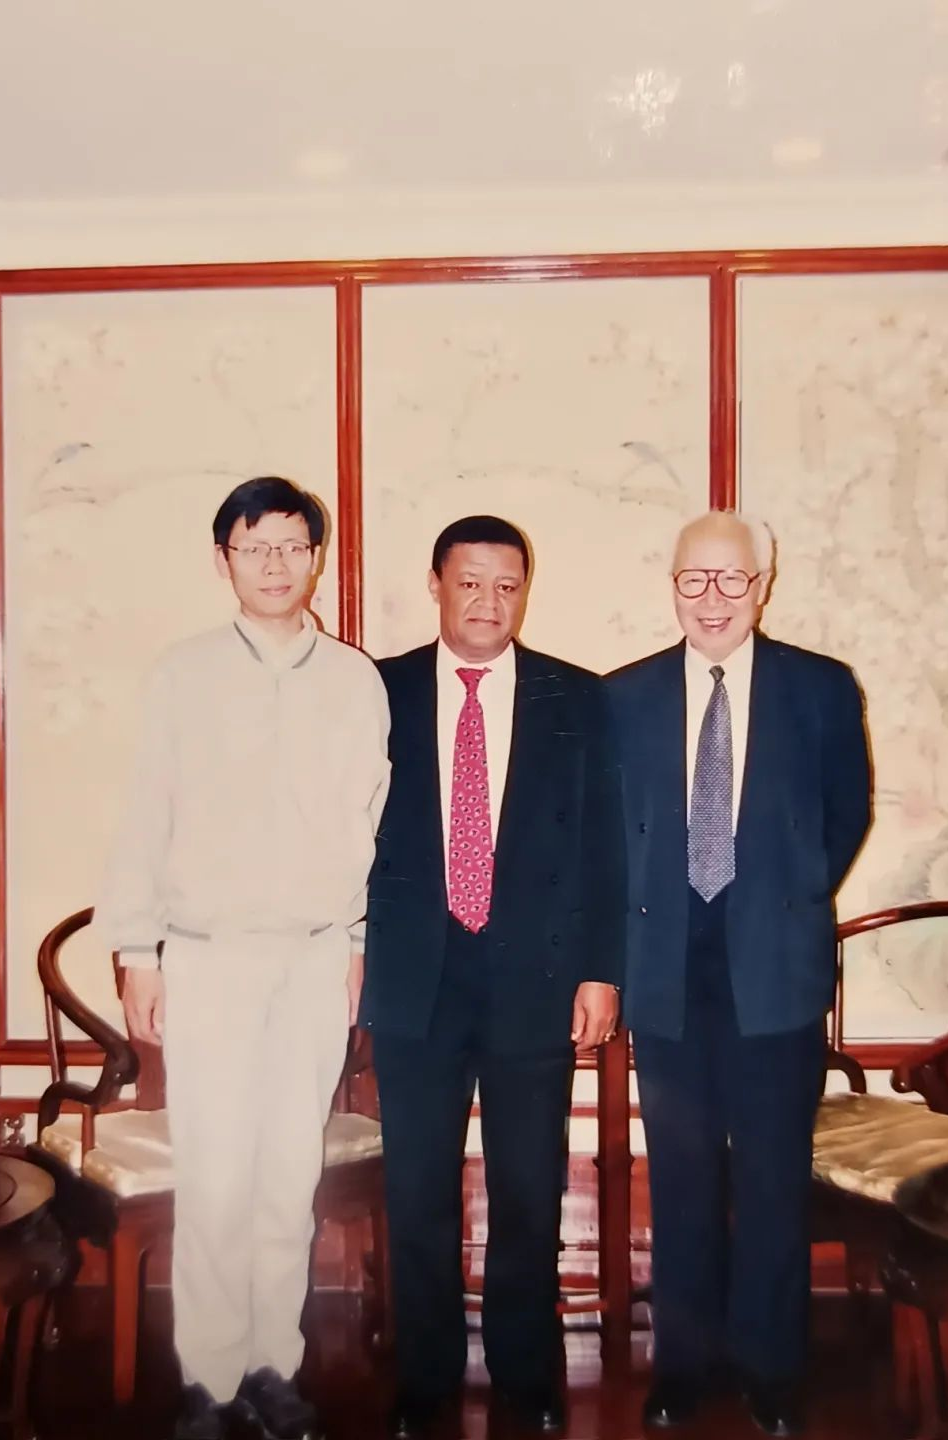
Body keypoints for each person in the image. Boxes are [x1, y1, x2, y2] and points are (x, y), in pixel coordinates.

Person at [98, 476, 390, 1440]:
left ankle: (274, 1367)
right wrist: (137, 951)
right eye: (254, 546)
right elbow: (145, 815)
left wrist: (356, 943)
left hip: (314, 960)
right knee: (218, 1177)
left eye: (293, 546)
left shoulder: (354, 680)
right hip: (209, 958)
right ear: (222, 558)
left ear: (317, 558)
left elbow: (371, 824)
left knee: (286, 1176)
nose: (275, 564)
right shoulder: (182, 675)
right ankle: (212, 1379)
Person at [361, 515, 625, 1437]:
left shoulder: (576, 696)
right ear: (436, 584)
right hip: (414, 976)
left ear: (525, 591)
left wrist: (601, 971)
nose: (488, 601)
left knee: (529, 1185)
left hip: (535, 976)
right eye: (470, 582)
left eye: (506, 585)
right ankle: (425, 1376)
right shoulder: (377, 691)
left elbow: (605, 847)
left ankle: (525, 1371)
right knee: (417, 1189)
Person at [608, 510, 871, 1437]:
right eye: (694, 579)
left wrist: (785, 898)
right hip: (665, 972)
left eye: (732, 579)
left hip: (776, 969)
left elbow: (846, 814)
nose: (712, 599)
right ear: (672, 585)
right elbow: (612, 833)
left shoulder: (820, 687)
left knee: (771, 1178)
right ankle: (683, 1366)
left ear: (763, 585)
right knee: (679, 1177)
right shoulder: (625, 696)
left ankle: (771, 1370)